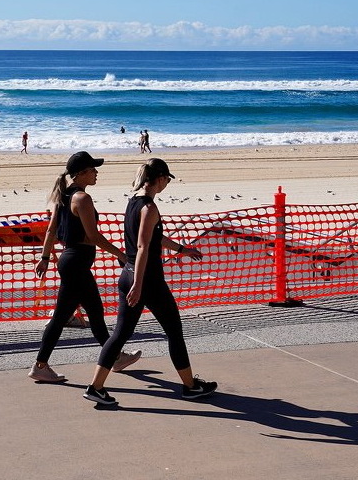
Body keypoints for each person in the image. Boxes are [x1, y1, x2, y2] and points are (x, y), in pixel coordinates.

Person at [83, 158, 217, 405]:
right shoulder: (150, 208)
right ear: (159, 179)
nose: (167, 183)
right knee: (174, 331)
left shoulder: (133, 203)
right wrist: (139, 284)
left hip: (129, 273)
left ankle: (96, 387)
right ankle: (190, 386)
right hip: (147, 280)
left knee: (120, 334)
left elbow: (153, 237)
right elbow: (144, 246)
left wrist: (180, 249)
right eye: (167, 179)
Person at [29, 151, 142, 382]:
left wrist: (45, 257)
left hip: (71, 262)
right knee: (66, 317)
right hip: (77, 264)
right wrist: (121, 254)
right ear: (81, 173)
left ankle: (116, 357)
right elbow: (93, 237)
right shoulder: (82, 198)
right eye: (92, 169)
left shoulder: (63, 196)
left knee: (89, 315)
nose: (96, 173)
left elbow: (51, 230)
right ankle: (40, 365)